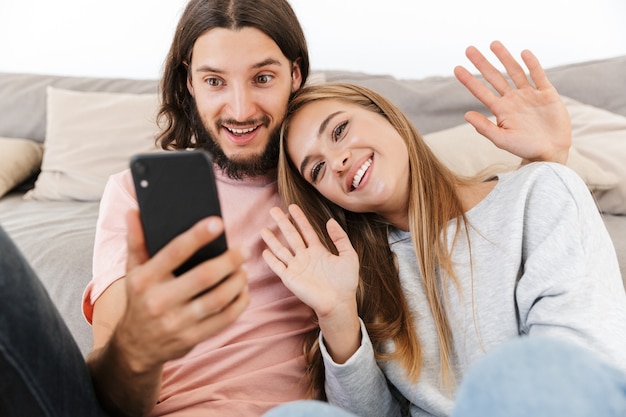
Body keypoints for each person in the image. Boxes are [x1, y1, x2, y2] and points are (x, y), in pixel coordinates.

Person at [0, 0, 569, 415]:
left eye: (263, 77)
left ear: (297, 74)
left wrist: (549, 162)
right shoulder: (135, 193)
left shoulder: (338, 176)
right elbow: (113, 393)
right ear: (189, 85)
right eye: (215, 80)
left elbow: (460, 224)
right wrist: (141, 347)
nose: (240, 107)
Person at [259, 41, 626, 416]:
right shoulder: (362, 278)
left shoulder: (541, 190)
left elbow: (579, 370)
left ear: (385, 113)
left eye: (338, 131)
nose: (336, 162)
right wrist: (337, 313)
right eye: (317, 169)